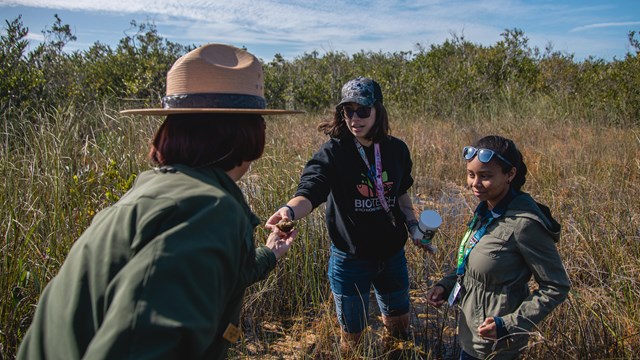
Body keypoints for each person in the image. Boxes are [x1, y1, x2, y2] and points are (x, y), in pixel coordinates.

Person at [17, 43, 302, 359]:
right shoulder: (207, 211)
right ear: (248, 135)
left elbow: (205, 273)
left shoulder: (152, 193)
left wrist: (271, 252)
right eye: (260, 122)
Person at [265, 76, 432, 351]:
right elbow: (311, 190)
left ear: (378, 110)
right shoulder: (334, 152)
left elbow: (400, 192)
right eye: (348, 110)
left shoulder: (397, 149)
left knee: (400, 327)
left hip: (391, 254)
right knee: (352, 341)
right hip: (351, 259)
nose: (355, 118)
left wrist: (413, 226)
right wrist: (288, 211)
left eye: (363, 110)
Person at [425, 135, 571, 359]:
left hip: (498, 345)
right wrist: (445, 285)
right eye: (471, 174)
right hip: (470, 336)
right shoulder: (486, 209)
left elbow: (556, 286)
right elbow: (472, 259)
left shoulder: (525, 224)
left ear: (510, 174)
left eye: (485, 176)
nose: (475, 183)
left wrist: (508, 324)